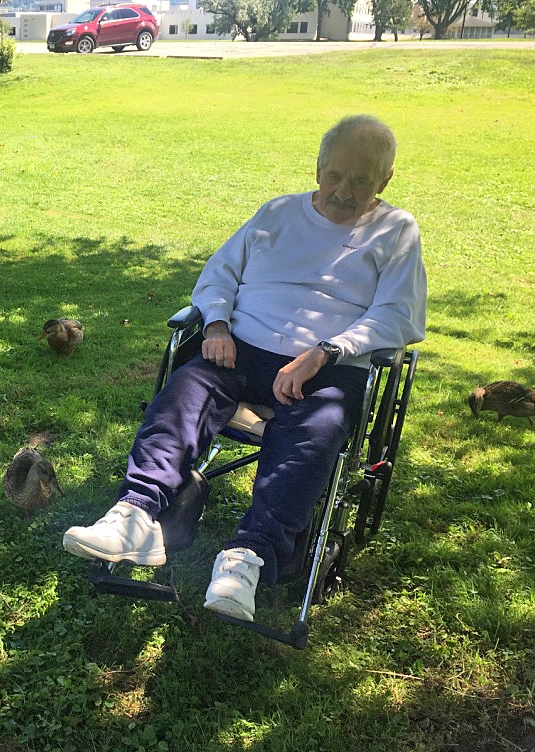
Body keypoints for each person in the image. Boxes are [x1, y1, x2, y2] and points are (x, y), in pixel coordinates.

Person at [63, 114, 427, 622]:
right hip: (239, 347)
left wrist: (327, 351)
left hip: (325, 364)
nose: (343, 191)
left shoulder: (396, 231)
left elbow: (398, 315)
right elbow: (220, 274)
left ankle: (248, 559)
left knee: (313, 435)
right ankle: (136, 514)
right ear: (319, 167)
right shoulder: (277, 213)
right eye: (335, 176)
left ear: (385, 180)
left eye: (361, 181)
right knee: (184, 392)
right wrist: (215, 325)